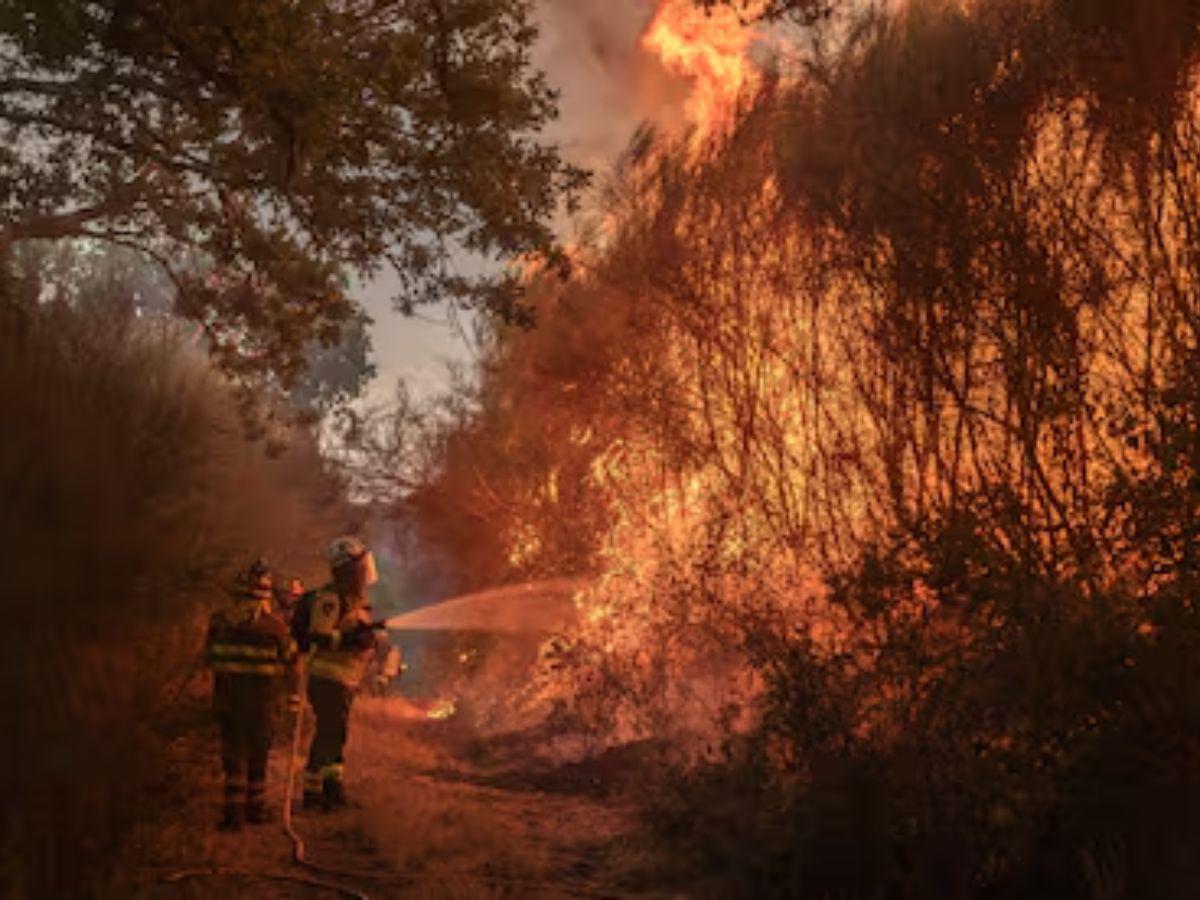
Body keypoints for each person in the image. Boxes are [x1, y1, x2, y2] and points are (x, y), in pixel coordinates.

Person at [292, 536, 387, 810]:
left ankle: (333, 790)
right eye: (361, 566)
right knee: (329, 733)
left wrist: (366, 634)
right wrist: (354, 638)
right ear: (348, 569)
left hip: (344, 679)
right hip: (327, 677)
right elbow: (319, 637)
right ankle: (313, 793)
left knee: (337, 734)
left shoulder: (354, 600)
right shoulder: (331, 598)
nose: (367, 571)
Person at [205, 559, 298, 830]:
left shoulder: (219, 622)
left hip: (228, 700)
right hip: (262, 703)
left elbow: (209, 657)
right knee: (259, 756)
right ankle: (255, 810)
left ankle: (233, 816)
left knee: (233, 757)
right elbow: (292, 662)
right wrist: (293, 697)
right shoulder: (275, 627)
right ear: (265, 595)